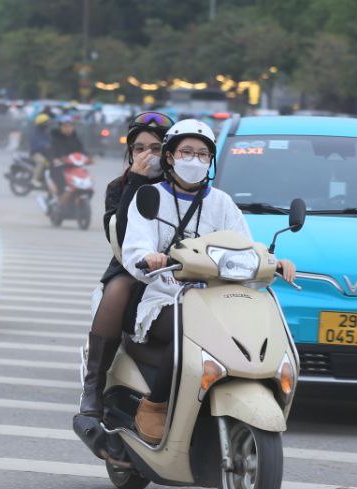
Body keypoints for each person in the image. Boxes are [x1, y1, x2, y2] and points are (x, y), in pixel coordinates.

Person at [119, 119, 296, 444]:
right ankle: (155, 405)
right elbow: (135, 248)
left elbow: (245, 246)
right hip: (167, 296)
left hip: (218, 298)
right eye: (186, 151)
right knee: (187, 332)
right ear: (170, 157)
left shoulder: (222, 203)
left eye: (202, 154)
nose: (194, 160)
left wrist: (272, 262)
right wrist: (150, 257)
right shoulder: (150, 197)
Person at [75, 112, 174, 430]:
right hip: (132, 263)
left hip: (183, 268)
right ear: (130, 153)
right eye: (140, 148)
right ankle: (93, 387)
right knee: (118, 287)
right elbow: (117, 233)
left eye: (156, 148)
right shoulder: (119, 187)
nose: (148, 155)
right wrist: (136, 181)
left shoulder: (185, 186)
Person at [44, 116, 85, 203]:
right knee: (60, 179)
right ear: (60, 127)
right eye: (65, 126)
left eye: (70, 126)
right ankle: (58, 197)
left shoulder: (75, 138)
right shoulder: (54, 137)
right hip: (58, 166)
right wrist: (54, 159)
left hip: (73, 165)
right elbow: (49, 151)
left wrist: (89, 157)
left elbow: (82, 150)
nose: (68, 128)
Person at [28, 113, 53, 188]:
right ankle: (34, 179)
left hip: (45, 153)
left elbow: (50, 140)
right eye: (46, 122)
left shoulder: (45, 131)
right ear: (41, 123)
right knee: (42, 161)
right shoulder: (36, 132)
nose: (48, 123)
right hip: (36, 153)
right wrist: (45, 145)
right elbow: (36, 143)